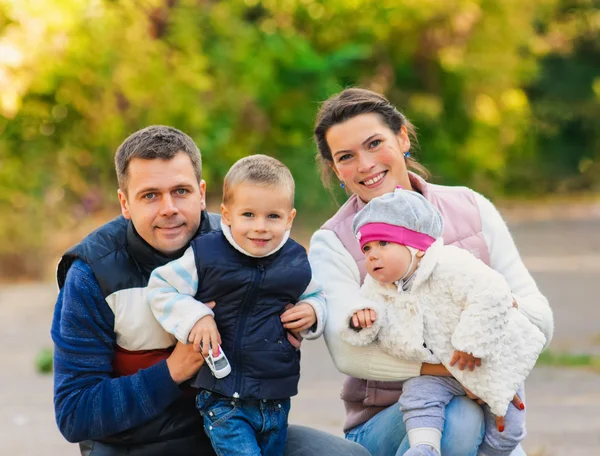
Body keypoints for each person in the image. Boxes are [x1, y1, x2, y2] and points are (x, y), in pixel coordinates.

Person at [51, 125, 370, 456]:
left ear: (202, 193)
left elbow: (309, 294)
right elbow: (76, 414)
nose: (169, 208)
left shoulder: (250, 240)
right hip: (137, 445)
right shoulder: (92, 274)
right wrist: (173, 370)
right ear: (125, 203)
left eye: (181, 191)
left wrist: (300, 320)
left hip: (237, 427)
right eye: (150, 195)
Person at [308, 88, 554, 456]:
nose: (364, 164)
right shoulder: (333, 243)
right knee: (461, 416)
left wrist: (487, 365)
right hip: (387, 423)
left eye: (375, 143)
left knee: (476, 421)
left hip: (485, 408)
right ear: (335, 170)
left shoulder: (471, 207)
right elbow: (350, 353)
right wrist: (460, 375)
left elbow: (539, 317)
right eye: (346, 156)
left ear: (402, 137)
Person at [343, 187, 547, 456]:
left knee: (505, 423)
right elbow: (368, 315)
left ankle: (492, 453)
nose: (372, 255)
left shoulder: (450, 264)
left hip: (487, 359)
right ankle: (424, 447)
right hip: (440, 367)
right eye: (367, 247)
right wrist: (362, 321)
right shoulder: (377, 287)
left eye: (383, 243)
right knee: (417, 396)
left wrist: (473, 343)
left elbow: (493, 291)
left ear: (415, 246)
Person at [147, 154, 326, 456]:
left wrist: (312, 312)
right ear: (227, 215)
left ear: (290, 218)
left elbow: (317, 296)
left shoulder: (296, 261)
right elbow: (161, 289)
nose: (260, 227)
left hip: (276, 399)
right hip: (224, 399)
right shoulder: (206, 254)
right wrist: (197, 318)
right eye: (248, 215)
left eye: (273, 216)